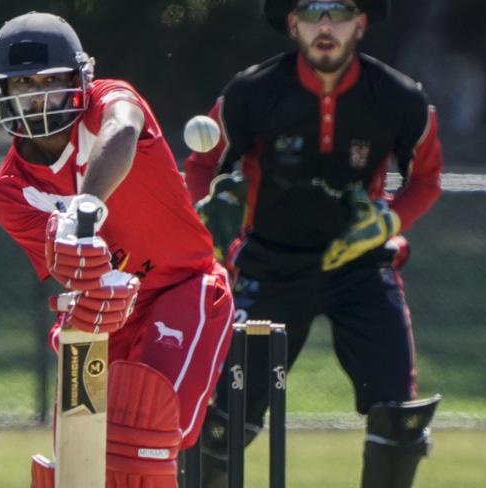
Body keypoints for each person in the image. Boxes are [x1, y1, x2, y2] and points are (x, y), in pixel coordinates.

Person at [185, 1, 443, 487]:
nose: (326, 26)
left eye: (339, 11)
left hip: (361, 266)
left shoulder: (397, 96)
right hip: (269, 266)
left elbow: (426, 178)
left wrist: (388, 222)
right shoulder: (252, 92)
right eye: (312, 12)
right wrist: (215, 231)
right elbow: (202, 165)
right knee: (221, 423)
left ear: (361, 24)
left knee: (400, 419)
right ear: (292, 24)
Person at [0, 12, 235, 488]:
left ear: (79, 80)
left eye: (51, 81)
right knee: (78, 464)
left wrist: (85, 206)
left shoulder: (111, 100)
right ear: (3, 92)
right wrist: (74, 257)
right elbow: (77, 270)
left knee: (142, 429)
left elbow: (121, 131)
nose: (38, 96)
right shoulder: (12, 192)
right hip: (101, 310)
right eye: (23, 84)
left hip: (182, 287)